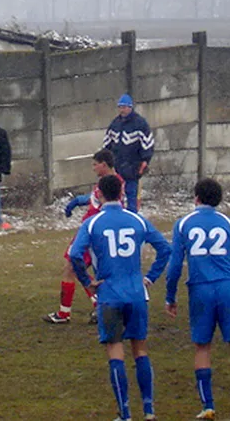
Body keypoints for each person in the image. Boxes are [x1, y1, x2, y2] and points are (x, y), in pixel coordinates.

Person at [70, 175, 171, 421]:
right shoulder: (136, 219)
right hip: (136, 294)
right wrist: (150, 277)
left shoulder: (93, 223)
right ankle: (149, 410)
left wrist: (88, 282)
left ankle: (125, 413)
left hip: (109, 294)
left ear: (101, 194)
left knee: (115, 351)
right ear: (121, 194)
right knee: (140, 350)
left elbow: (75, 254)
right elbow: (165, 248)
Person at [164, 178, 230, 421]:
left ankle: (208, 405)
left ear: (196, 198)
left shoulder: (183, 223)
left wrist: (170, 296)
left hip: (200, 289)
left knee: (202, 347)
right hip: (228, 286)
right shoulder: (228, 222)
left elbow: (175, 265)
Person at [44, 149, 124, 325]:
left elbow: (112, 205)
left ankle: (71, 312)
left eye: (95, 164)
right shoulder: (107, 182)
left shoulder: (114, 183)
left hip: (92, 233)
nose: (93, 168)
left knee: (72, 268)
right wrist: (79, 201)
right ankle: (94, 306)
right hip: (92, 231)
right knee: (76, 269)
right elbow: (96, 199)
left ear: (104, 164)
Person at [103, 94, 154, 212]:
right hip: (117, 167)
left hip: (133, 168)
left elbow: (148, 144)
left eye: (125, 107)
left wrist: (145, 161)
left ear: (130, 107)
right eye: (120, 107)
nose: (122, 110)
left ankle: (133, 218)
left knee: (132, 198)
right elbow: (107, 144)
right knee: (114, 197)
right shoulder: (115, 123)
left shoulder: (140, 123)